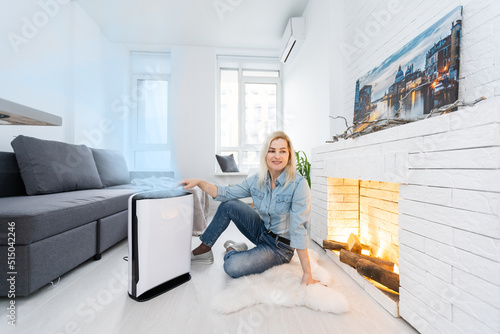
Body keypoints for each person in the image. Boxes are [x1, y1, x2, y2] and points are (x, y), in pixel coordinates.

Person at [182, 131, 319, 285]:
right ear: (265, 154)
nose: (277, 156)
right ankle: (204, 249)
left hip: (279, 248)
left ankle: (233, 249)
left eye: (282, 151)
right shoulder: (257, 179)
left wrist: (307, 273)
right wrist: (200, 182)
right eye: (272, 150)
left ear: (289, 156)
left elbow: (299, 229)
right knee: (229, 205)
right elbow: (226, 193)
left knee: (232, 267)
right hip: (261, 230)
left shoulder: (299, 185)